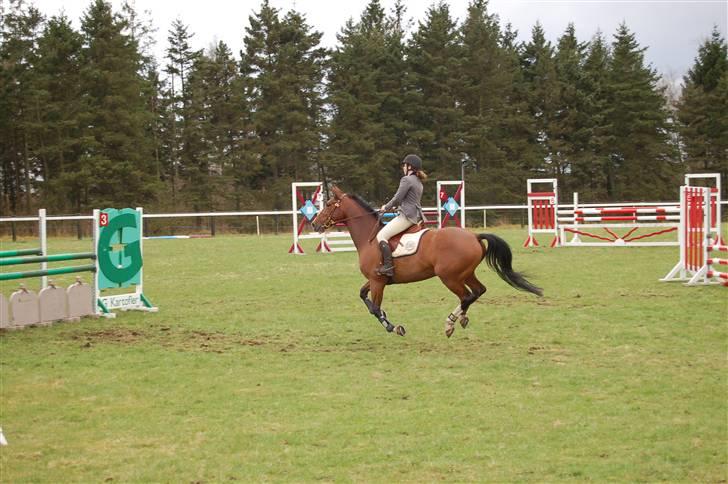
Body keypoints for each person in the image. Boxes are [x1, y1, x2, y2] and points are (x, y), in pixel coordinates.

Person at [376, 154, 428, 277]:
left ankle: (388, 266)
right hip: (416, 215)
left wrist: (386, 207)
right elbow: (409, 200)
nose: (403, 168)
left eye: (404, 165)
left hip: (407, 217)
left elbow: (397, 198)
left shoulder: (406, 180)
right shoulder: (418, 181)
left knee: (381, 235)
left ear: (410, 167)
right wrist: (397, 207)